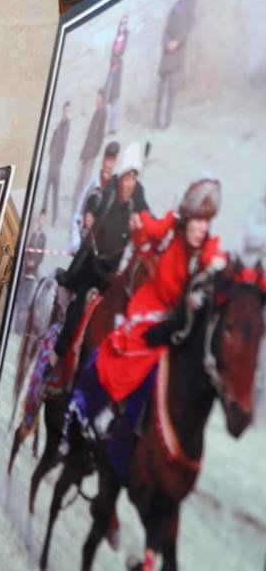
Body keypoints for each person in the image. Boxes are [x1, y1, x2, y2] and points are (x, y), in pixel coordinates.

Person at [63, 180, 226, 471]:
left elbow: (217, 261)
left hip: (175, 326)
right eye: (198, 221)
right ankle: (91, 410)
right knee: (126, 355)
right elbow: (147, 229)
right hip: (149, 311)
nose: (202, 228)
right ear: (187, 220)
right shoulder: (169, 233)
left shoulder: (207, 251)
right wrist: (148, 223)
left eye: (207, 222)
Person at [53, 142, 149, 364]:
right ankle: (56, 358)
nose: (129, 184)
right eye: (127, 178)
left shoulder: (138, 193)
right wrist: (90, 214)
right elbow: (95, 203)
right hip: (94, 264)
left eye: (134, 179)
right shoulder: (111, 190)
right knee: (79, 307)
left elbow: (146, 213)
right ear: (121, 177)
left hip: (114, 273)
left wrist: (142, 220)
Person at [153, 0, 196, 129]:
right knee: (160, 91)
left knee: (171, 90)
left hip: (177, 53)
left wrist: (177, 42)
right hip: (166, 55)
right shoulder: (174, 7)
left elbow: (190, 24)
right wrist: (167, 43)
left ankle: (166, 122)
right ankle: (156, 121)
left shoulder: (191, 1)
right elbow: (165, 30)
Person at [69, 140, 119, 254]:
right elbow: (78, 214)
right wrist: (75, 243)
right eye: (108, 160)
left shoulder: (115, 189)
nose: (110, 165)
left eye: (113, 161)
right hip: (84, 243)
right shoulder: (92, 185)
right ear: (103, 161)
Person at [70, 88, 108, 216]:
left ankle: (80, 213)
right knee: (78, 187)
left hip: (90, 158)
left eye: (98, 98)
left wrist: (92, 154)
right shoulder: (96, 114)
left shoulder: (102, 114)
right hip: (86, 156)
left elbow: (99, 139)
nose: (96, 101)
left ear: (102, 100)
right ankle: (75, 212)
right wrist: (81, 157)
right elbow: (88, 138)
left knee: (84, 187)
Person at [42, 101, 71, 226]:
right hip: (52, 162)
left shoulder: (67, 125)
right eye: (65, 111)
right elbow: (53, 140)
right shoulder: (61, 124)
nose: (66, 113)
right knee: (47, 190)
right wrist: (51, 153)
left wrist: (57, 159)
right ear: (63, 111)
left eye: (68, 111)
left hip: (57, 164)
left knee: (55, 191)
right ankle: (43, 215)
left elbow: (63, 145)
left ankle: (54, 218)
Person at [105, 15, 128, 134]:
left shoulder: (123, 39)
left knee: (114, 101)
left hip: (117, 72)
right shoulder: (115, 40)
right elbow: (112, 56)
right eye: (121, 24)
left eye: (124, 24)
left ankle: (112, 128)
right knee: (106, 100)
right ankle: (104, 127)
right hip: (111, 72)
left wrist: (116, 58)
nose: (122, 27)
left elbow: (121, 52)